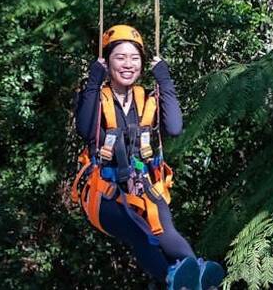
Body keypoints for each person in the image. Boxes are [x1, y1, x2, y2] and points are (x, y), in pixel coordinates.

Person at [73, 25, 224, 289]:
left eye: (134, 58)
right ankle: (172, 279)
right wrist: (93, 81)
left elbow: (175, 128)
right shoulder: (96, 97)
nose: (128, 64)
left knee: (165, 230)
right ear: (107, 63)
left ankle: (195, 277)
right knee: (139, 231)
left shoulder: (146, 99)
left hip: (141, 186)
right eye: (120, 57)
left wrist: (165, 81)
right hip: (103, 192)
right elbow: (85, 130)